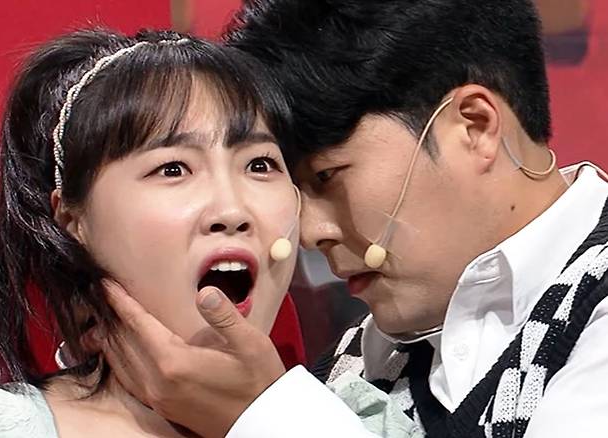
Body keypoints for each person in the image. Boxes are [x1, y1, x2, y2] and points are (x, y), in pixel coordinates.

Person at [97, 1, 608, 437]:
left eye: (327, 176)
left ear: (474, 126)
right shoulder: (360, 360)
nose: (309, 234)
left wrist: (266, 416)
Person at [0, 28, 302, 437]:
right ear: (73, 221)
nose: (231, 211)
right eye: (172, 169)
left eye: (260, 164)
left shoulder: (353, 417)